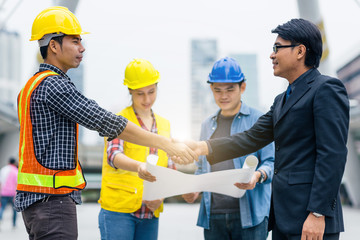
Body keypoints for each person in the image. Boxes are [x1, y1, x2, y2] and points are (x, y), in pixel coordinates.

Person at [16, 7, 196, 240]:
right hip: (53, 203)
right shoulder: (55, 86)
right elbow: (106, 122)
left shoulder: (30, 87)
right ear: (53, 46)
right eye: (75, 40)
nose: (82, 48)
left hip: (39, 203)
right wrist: (167, 144)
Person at [186, 18, 349, 240]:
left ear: (300, 51)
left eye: (277, 48)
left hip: (311, 220)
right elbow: (251, 138)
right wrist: (201, 147)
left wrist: (318, 213)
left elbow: (333, 155)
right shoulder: (281, 100)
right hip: (283, 218)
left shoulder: (326, 89)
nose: (272, 55)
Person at [182, 57, 274, 240]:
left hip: (251, 216)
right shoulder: (207, 124)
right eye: (218, 90)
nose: (223, 96)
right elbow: (202, 169)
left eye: (230, 89)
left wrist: (257, 175)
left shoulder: (259, 119)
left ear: (243, 87)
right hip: (214, 215)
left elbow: (270, 162)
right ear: (211, 90)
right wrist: (194, 189)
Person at [98, 58, 176, 240]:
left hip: (150, 213)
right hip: (119, 211)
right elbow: (114, 155)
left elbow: (169, 168)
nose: (147, 99)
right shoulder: (118, 120)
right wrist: (140, 166)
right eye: (140, 93)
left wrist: (161, 197)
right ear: (130, 91)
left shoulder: (165, 125)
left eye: (151, 91)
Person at [0, 158, 18, 229]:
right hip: (12, 193)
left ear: (8, 162)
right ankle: (14, 224)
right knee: (14, 209)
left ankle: (0, 219)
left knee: (2, 208)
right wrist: (16, 194)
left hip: (4, 193)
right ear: (14, 163)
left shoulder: (3, 170)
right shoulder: (15, 171)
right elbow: (16, 183)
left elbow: (0, 182)